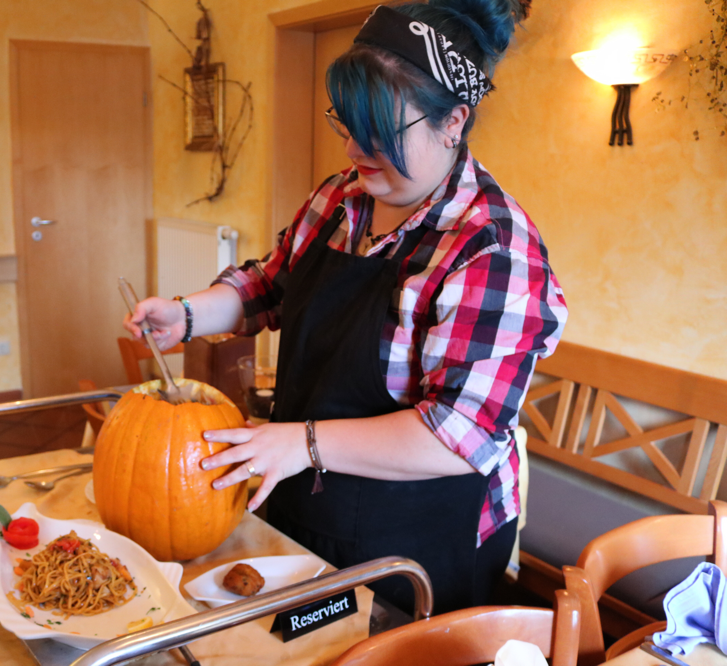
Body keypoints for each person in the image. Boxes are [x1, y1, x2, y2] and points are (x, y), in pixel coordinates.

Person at [125, 0, 566, 615]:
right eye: (347, 123)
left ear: (453, 122)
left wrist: (299, 443)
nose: (357, 147)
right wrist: (190, 314)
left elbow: (457, 438)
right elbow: (270, 284)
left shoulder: (491, 247)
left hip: (419, 539)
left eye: (380, 131)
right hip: (309, 499)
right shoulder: (343, 198)